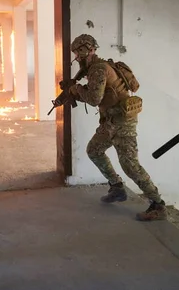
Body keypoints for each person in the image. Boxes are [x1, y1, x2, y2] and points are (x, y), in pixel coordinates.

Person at [67, 34, 167, 221]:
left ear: (84, 50)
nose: (76, 58)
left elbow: (94, 99)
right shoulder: (96, 67)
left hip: (122, 122)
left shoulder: (98, 69)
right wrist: (77, 92)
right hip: (111, 122)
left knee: (130, 165)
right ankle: (117, 187)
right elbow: (100, 96)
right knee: (94, 150)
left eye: (77, 53)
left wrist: (77, 89)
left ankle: (158, 205)